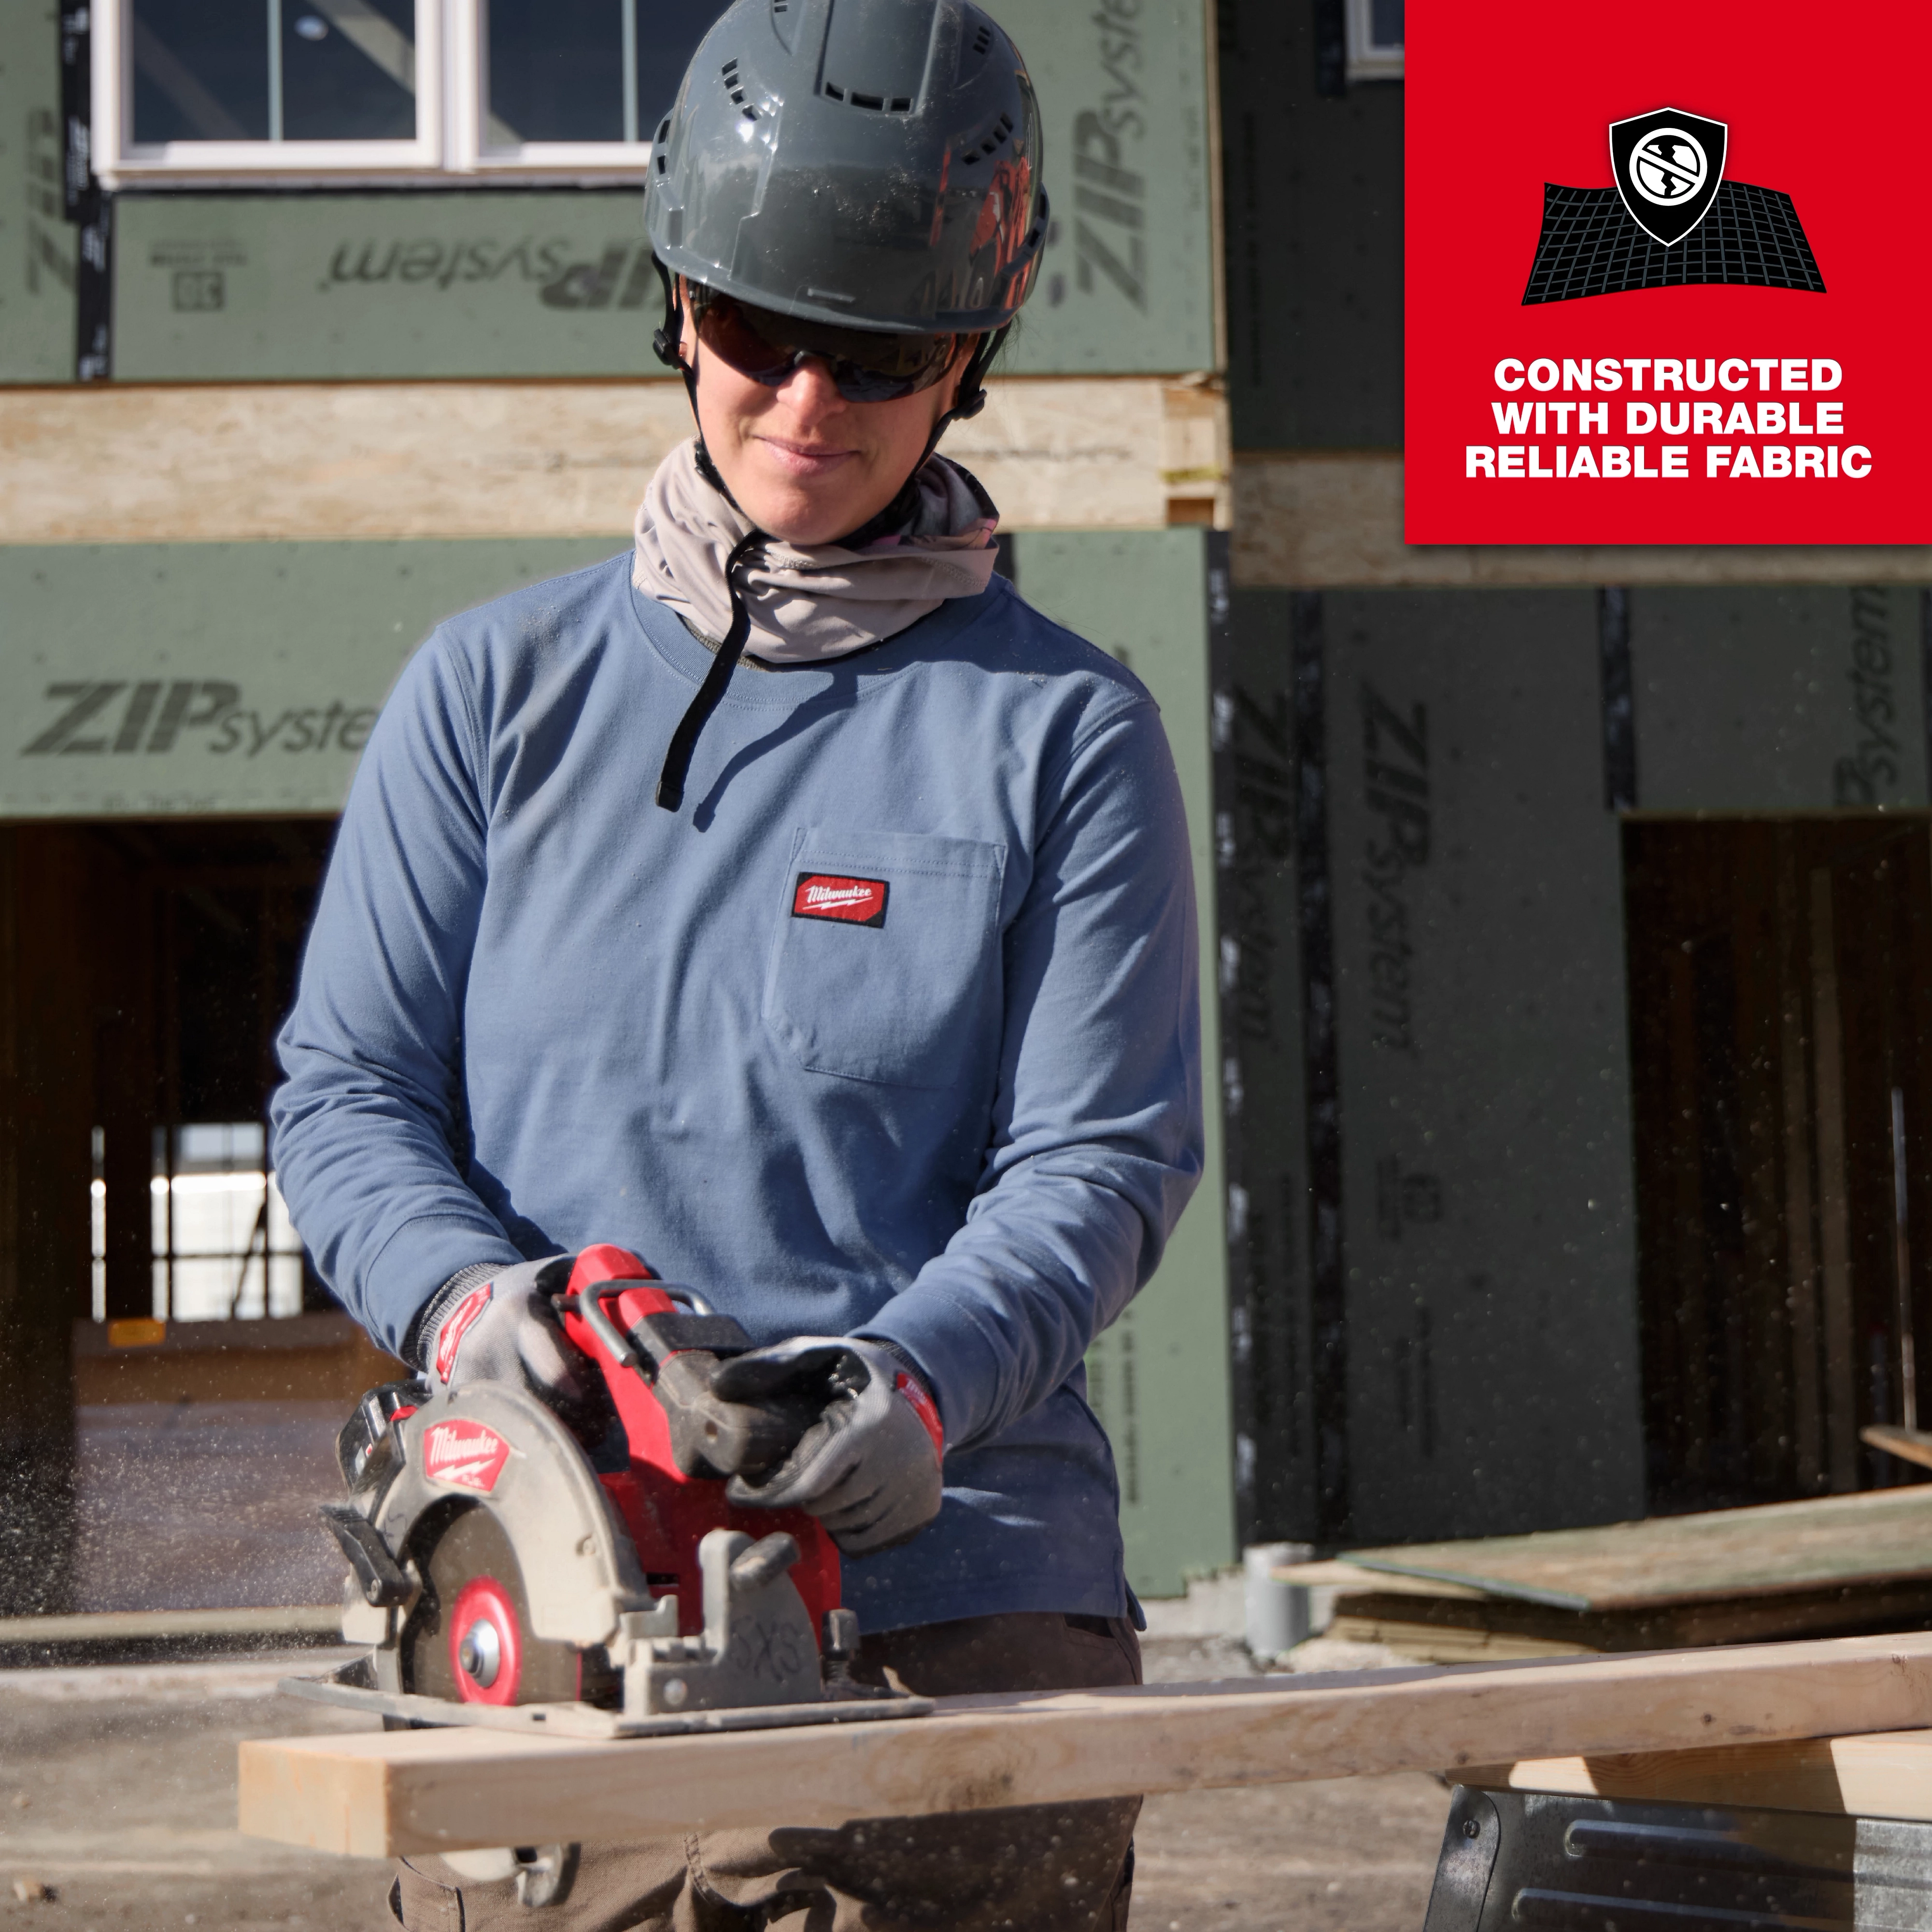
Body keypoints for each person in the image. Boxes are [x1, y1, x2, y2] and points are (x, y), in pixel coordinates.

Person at [270, 0, 1203, 1923]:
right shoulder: (490, 695)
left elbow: (1099, 1160)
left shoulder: (1065, 735)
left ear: (968, 359)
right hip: (537, 1591)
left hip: (946, 1606)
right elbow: (349, 1095)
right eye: (758, 335)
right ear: (677, 304)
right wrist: (475, 1314)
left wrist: (912, 1391)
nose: (802, 403)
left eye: (873, 355)